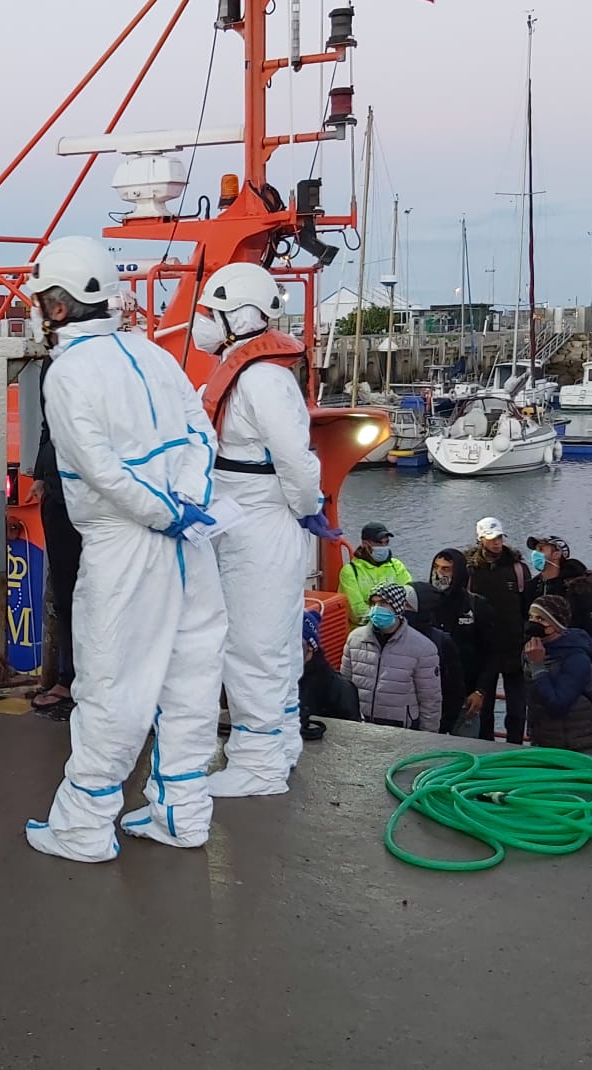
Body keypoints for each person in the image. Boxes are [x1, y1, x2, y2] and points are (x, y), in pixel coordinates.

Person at [20, 236, 228, 862]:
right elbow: (201, 432)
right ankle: (181, 813)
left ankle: (84, 825)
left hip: (125, 545)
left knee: (112, 685)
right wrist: (187, 505)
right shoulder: (154, 354)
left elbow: (100, 470)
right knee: (192, 679)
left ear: (57, 307)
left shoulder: (69, 373)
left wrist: (160, 514)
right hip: (194, 540)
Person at [188, 261, 336, 798]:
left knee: (253, 648)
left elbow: (296, 461)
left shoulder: (263, 379)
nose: (200, 320)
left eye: (209, 311)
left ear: (239, 315)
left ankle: (259, 763)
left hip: (261, 525)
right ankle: (280, 744)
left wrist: (305, 507)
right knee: (271, 647)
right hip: (244, 521)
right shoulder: (245, 372)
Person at [28, 363, 82, 718]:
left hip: (97, 498)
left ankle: (98, 680)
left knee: (104, 593)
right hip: (58, 497)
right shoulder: (55, 360)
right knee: (65, 593)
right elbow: (50, 425)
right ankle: (69, 676)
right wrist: (41, 474)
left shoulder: (109, 360)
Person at [411, 548, 493, 734]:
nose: (439, 574)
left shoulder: (477, 605)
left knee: (467, 750)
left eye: (446, 569)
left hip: (466, 697)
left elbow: (492, 654)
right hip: (430, 697)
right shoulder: (424, 604)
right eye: (436, 568)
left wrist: (480, 691)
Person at [340, 583, 442, 730]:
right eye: (373, 603)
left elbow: (430, 700)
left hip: (401, 729)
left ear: (398, 608)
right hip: (360, 726)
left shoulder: (423, 648)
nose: (376, 609)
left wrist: (428, 736)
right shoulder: (355, 639)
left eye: (383, 603)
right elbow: (345, 687)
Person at [466, 517, 532, 742]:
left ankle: (514, 748)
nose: (497, 543)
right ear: (481, 539)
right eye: (492, 538)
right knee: (484, 708)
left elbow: (528, 607)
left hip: (514, 648)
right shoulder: (471, 570)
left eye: (500, 538)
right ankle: (486, 748)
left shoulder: (518, 569)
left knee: (516, 710)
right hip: (483, 650)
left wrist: (526, 638)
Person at [522, 595, 592, 754]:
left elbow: (558, 704)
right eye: (531, 617)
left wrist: (537, 665)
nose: (533, 623)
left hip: (575, 746)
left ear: (555, 623)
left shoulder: (576, 658)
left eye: (540, 619)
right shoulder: (530, 650)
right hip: (542, 740)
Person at [526, 535, 592, 654]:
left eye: (541, 549)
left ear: (557, 554)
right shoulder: (533, 586)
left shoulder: (579, 590)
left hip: (575, 653)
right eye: (535, 550)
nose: (535, 554)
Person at [297, 608, 360, 738]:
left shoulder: (338, 688)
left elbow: (350, 737)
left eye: (294, 643)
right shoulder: (275, 680)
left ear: (310, 647)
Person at [338, 521, 411, 627]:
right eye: (379, 543)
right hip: (364, 633)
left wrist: (392, 623)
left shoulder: (396, 566)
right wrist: (386, 620)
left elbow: (409, 597)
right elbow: (357, 612)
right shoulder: (350, 572)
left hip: (397, 628)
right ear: (365, 544)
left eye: (386, 542)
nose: (384, 546)